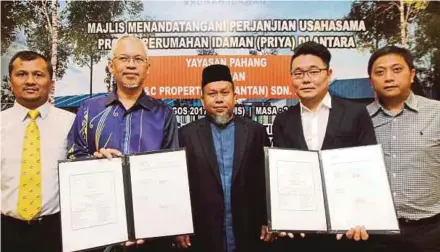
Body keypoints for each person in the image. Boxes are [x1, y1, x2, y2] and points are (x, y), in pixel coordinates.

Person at [67, 35, 179, 252]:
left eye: (138, 59)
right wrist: (94, 161)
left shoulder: (164, 114)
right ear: (111, 65)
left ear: (148, 67)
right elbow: (73, 158)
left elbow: (171, 175)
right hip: (100, 226)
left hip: (152, 230)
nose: (130, 65)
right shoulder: (89, 110)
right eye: (123, 58)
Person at [272, 41, 377, 251]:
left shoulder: (355, 113)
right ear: (292, 78)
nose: (306, 79)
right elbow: (280, 176)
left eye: (313, 71)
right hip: (299, 233)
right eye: (298, 73)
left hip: (346, 230)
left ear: (328, 74)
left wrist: (363, 216)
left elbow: (368, 170)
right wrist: (282, 219)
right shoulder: (283, 120)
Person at [176, 64, 272, 252]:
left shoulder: (255, 132)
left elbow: (267, 180)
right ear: (202, 99)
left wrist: (268, 219)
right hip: (203, 236)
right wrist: (180, 226)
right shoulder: (186, 135)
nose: (219, 99)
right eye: (212, 94)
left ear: (235, 96)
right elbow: (179, 186)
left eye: (225, 92)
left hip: (248, 233)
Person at [366, 45, 440, 252]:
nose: (388, 77)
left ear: (412, 74)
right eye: (380, 72)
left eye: (397, 70)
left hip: (429, 232)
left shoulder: (437, 113)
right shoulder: (359, 119)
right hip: (374, 233)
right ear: (371, 81)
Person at [1, 50, 75, 251]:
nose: (30, 81)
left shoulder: (72, 124)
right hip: (5, 232)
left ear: (51, 83)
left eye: (38, 75)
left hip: (55, 232)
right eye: (22, 74)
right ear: (10, 81)